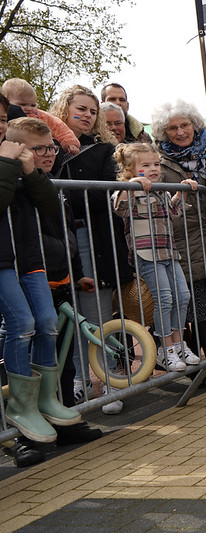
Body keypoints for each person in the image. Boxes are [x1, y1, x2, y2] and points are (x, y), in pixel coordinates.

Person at [6, 116, 104, 446]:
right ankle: (23, 429)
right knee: (24, 329)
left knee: (51, 331)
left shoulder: (44, 177)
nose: (49, 153)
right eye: (40, 149)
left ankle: (53, 407)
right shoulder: (11, 170)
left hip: (48, 270)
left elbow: (59, 225)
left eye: (51, 147)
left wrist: (75, 273)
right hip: (16, 267)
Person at [0, 97, 82, 443]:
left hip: (30, 261)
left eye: (3, 118)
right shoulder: (5, 161)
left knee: (48, 323)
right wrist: (8, 163)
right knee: (22, 325)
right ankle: (20, 405)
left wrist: (30, 171)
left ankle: (45, 398)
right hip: (3, 261)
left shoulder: (22, 165)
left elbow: (49, 206)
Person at [50, 85, 134, 408]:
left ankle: (111, 379)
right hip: (63, 241)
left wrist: (71, 193)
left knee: (97, 313)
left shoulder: (102, 150)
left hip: (95, 239)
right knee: (69, 314)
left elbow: (105, 192)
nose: (87, 115)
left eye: (92, 111)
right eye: (80, 109)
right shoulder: (50, 147)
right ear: (64, 109)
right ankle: (80, 381)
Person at [112, 143, 199, 372]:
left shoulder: (160, 189)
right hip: (146, 254)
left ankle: (179, 344)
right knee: (165, 299)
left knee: (182, 296)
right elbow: (118, 207)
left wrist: (180, 191)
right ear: (131, 170)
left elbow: (173, 212)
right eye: (146, 165)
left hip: (168, 252)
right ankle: (165, 348)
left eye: (156, 164)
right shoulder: (127, 188)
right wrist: (132, 186)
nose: (154, 169)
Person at [152, 100, 206, 365]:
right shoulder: (159, 163)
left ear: (195, 125)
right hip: (182, 242)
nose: (180, 132)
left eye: (184, 125)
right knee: (190, 310)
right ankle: (199, 368)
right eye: (172, 128)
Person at [1, 78, 81, 155]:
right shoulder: (5, 118)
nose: (29, 108)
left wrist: (70, 142)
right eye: (22, 104)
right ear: (6, 102)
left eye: (33, 105)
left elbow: (59, 127)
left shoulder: (42, 116)